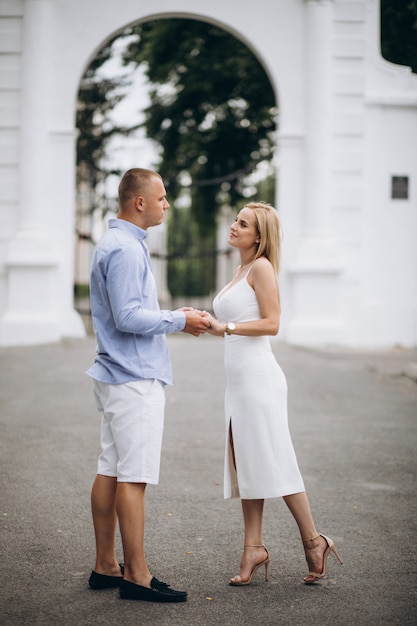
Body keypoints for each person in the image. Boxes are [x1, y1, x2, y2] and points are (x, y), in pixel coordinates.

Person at [86, 168, 210, 603]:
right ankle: (136, 575)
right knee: (132, 478)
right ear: (139, 202)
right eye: (161, 197)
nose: (166, 204)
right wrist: (180, 319)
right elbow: (127, 316)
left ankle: (106, 565)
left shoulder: (118, 242)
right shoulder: (124, 249)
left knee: (111, 468)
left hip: (116, 373)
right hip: (133, 378)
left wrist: (176, 317)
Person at [205, 202, 343, 586]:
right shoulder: (240, 270)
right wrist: (206, 321)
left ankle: (314, 541)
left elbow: (272, 323)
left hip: (260, 380)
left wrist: (226, 327)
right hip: (240, 382)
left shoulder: (261, 267)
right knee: (247, 461)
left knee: (275, 460)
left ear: (259, 236)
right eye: (235, 218)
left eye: (243, 223)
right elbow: (232, 320)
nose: (234, 226)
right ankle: (254, 548)